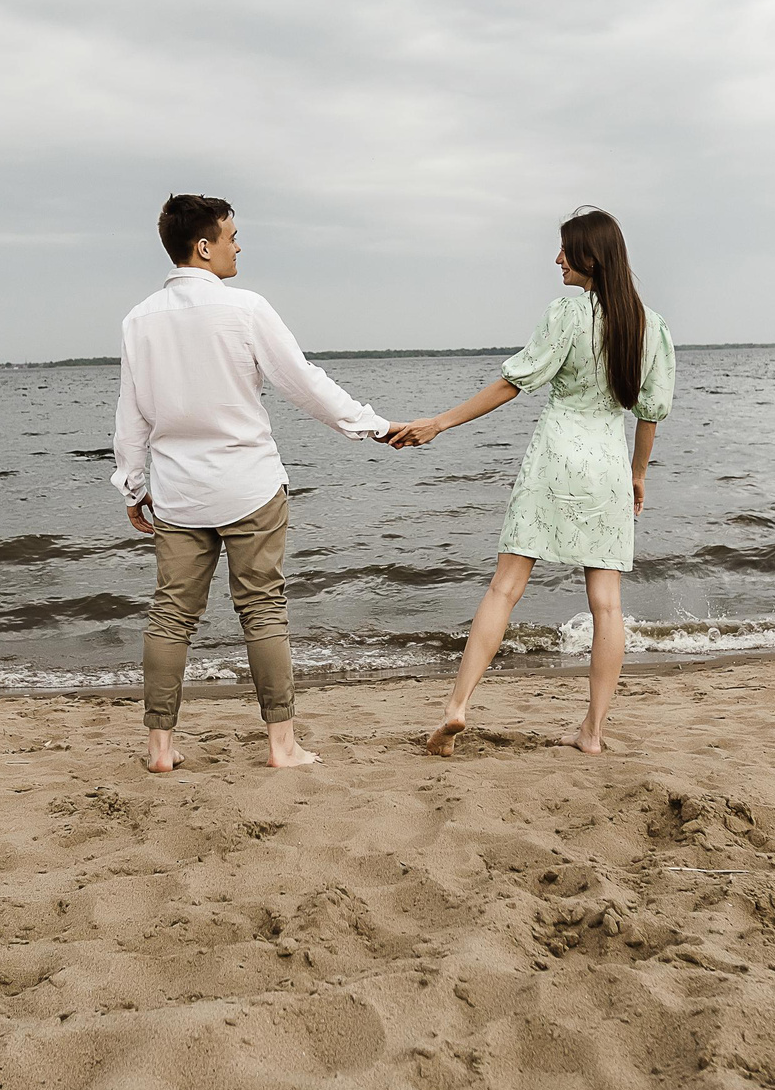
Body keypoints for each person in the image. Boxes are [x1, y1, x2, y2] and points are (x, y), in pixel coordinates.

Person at [112, 194, 401, 774]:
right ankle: (281, 745)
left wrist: (133, 486)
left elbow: (133, 414)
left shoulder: (138, 320)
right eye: (231, 236)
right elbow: (304, 383)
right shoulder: (245, 309)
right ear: (204, 246)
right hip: (249, 485)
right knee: (263, 611)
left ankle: (160, 749)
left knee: (171, 616)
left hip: (178, 493)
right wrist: (373, 425)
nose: (237, 246)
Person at [388, 208, 673, 755]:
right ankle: (592, 732)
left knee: (505, 587)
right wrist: (637, 475)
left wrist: (439, 422)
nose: (557, 259)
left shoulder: (567, 314)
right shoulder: (650, 325)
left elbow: (512, 382)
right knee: (607, 603)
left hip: (555, 458)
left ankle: (457, 707)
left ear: (589, 257)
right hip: (608, 464)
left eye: (565, 250)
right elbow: (650, 413)